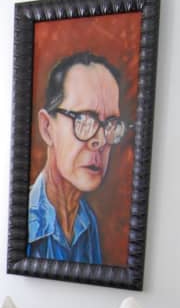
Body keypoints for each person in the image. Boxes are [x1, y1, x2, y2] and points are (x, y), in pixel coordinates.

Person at [27, 51, 130, 263]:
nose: (100, 140)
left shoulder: (87, 222)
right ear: (47, 128)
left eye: (110, 124)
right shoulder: (24, 222)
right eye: (84, 120)